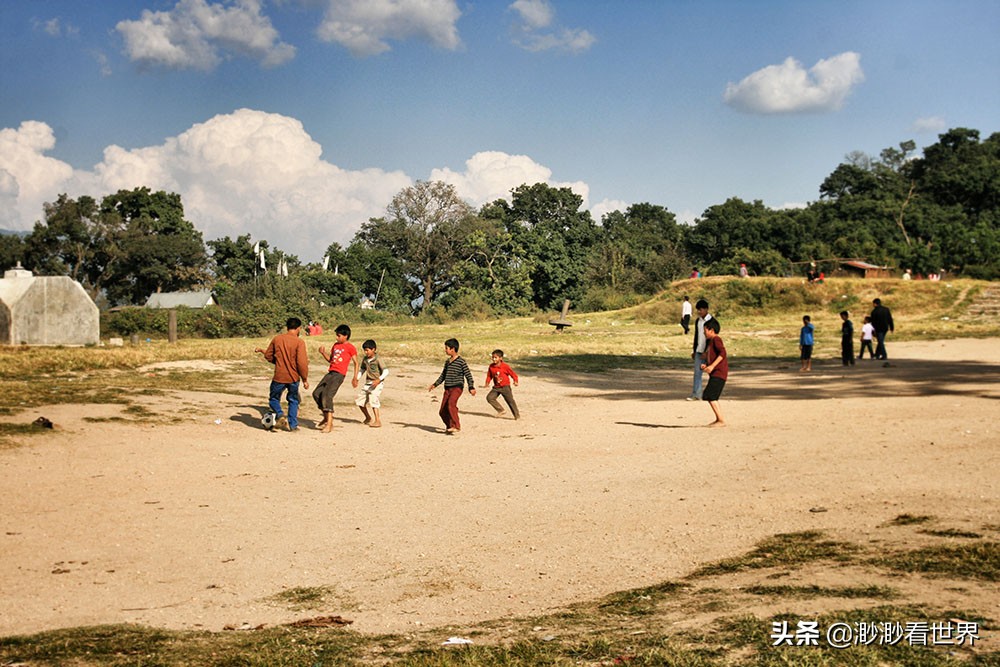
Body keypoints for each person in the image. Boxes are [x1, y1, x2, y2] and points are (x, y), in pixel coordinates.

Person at [254, 317, 310, 432]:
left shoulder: (277, 339)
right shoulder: (299, 342)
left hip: (279, 376)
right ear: (298, 328)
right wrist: (304, 378)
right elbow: (302, 363)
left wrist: (278, 361)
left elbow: (269, 355)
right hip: (293, 377)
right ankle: (293, 426)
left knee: (274, 399)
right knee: (293, 400)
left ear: (287, 327)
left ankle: (280, 414)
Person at [312, 323, 360, 433]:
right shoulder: (335, 346)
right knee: (316, 393)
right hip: (331, 373)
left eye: (339, 336)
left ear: (345, 336)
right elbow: (331, 360)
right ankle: (326, 416)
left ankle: (329, 424)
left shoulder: (350, 347)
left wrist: (355, 377)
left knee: (327, 395)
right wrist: (323, 353)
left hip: (339, 374)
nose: (336, 338)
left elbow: (356, 363)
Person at [428, 338, 476, 434]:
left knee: (451, 404)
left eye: (446, 348)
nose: (445, 350)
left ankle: (456, 426)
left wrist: (471, 387)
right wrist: (435, 384)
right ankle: (450, 426)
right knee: (442, 411)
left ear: (452, 349)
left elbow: (468, 375)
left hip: (457, 387)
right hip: (448, 388)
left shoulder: (461, 362)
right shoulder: (447, 362)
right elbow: (443, 375)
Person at [699, 318, 727, 427]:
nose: (704, 333)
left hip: (719, 373)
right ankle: (719, 419)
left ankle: (720, 420)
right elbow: (713, 356)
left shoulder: (716, 339)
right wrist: (706, 365)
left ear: (711, 330)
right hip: (716, 373)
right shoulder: (710, 342)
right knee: (710, 395)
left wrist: (712, 366)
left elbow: (722, 353)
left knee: (710, 395)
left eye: (705, 330)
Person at [355, 339, 388, 428]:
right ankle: (368, 417)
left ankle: (377, 420)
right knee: (360, 401)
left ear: (373, 349)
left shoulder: (378, 359)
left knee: (373, 400)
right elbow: (362, 369)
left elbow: (386, 371)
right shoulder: (365, 359)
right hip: (368, 383)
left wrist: (379, 380)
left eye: (367, 350)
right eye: (364, 350)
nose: (366, 352)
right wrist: (357, 378)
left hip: (377, 383)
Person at [483, 349, 519, 419]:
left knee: (510, 401)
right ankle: (501, 410)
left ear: (500, 358)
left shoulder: (505, 366)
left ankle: (516, 415)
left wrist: (515, 381)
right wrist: (487, 383)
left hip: (505, 387)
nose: (494, 359)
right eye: (493, 357)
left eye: (495, 357)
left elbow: (513, 374)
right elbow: (489, 376)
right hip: (496, 387)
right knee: (490, 398)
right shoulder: (491, 366)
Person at [688, 299, 713, 400]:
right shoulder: (698, 321)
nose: (699, 312)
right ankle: (697, 394)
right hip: (699, 350)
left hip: (710, 352)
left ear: (706, 309)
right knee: (697, 373)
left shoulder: (712, 321)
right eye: (698, 310)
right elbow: (696, 336)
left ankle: (712, 394)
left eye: (701, 310)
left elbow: (713, 339)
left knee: (713, 373)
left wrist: (707, 352)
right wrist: (694, 350)